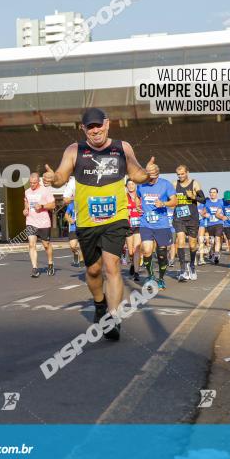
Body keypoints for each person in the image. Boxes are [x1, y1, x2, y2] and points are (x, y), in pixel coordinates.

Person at [43, 108, 154, 342]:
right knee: (93, 270)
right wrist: (53, 179)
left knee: (112, 266)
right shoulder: (75, 150)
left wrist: (150, 174)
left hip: (115, 218)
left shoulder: (123, 148)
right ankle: (100, 305)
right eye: (89, 127)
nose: (95, 130)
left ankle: (113, 318)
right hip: (86, 221)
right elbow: (62, 176)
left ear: (107, 124)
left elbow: (137, 174)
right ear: (83, 129)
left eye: (98, 125)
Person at [137, 164, 178, 289]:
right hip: (146, 223)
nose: (150, 180)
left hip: (162, 225)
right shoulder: (141, 185)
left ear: (158, 175)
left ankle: (160, 278)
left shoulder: (166, 184)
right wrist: (139, 206)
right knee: (147, 250)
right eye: (148, 177)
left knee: (161, 254)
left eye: (153, 177)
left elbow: (175, 201)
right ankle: (150, 276)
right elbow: (138, 199)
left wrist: (163, 203)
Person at [173, 165, 205, 282]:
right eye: (178, 174)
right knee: (180, 241)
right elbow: (169, 198)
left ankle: (191, 265)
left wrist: (194, 197)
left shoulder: (194, 184)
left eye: (182, 174)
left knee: (192, 245)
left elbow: (203, 199)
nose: (180, 176)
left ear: (187, 173)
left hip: (192, 219)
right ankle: (182, 270)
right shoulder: (174, 185)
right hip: (179, 218)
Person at [24, 172, 56, 277]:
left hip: (43, 223)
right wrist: (25, 210)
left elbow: (53, 205)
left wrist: (42, 206)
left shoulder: (45, 191)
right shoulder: (27, 191)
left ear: (38, 182)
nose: (32, 185)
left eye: (34, 183)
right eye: (30, 183)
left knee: (46, 245)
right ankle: (35, 268)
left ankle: (50, 264)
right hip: (31, 222)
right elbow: (26, 203)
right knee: (31, 245)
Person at [203, 188, 226, 264]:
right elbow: (203, 213)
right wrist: (207, 215)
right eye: (211, 192)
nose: (212, 194)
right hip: (210, 224)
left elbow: (225, 211)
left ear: (217, 193)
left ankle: (216, 254)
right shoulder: (207, 202)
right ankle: (212, 252)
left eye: (214, 192)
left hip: (219, 223)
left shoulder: (221, 202)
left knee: (217, 238)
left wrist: (223, 216)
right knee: (212, 242)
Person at [126, 180, 143, 281]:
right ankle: (132, 263)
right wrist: (125, 212)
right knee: (131, 251)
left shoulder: (140, 197)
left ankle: (136, 272)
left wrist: (142, 211)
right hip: (128, 226)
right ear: (126, 186)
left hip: (138, 225)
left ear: (136, 185)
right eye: (129, 184)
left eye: (133, 184)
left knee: (137, 249)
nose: (131, 186)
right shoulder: (124, 197)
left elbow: (146, 208)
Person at [65, 197, 82, 267]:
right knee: (72, 246)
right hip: (73, 228)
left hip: (82, 227)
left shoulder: (85, 203)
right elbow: (66, 214)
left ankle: (81, 260)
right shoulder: (71, 205)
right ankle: (76, 254)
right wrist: (69, 219)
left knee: (82, 246)